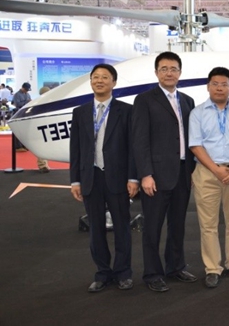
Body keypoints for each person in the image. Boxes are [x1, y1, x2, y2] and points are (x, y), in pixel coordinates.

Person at [70, 63, 138, 292]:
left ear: (114, 82)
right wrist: (75, 180)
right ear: (91, 81)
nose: (99, 81)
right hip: (91, 178)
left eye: (105, 77)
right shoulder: (80, 112)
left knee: (122, 227)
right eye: (96, 77)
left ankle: (123, 272)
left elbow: (132, 148)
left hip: (118, 177)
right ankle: (102, 273)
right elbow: (76, 149)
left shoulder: (126, 111)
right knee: (96, 229)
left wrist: (133, 178)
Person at [132, 51, 197, 292]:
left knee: (177, 225)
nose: (169, 73)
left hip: (182, 172)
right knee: (152, 227)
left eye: (173, 69)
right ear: (156, 72)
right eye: (164, 69)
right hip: (156, 176)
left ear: (180, 72)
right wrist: (145, 174)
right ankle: (152, 273)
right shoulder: (144, 100)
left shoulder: (187, 101)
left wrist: (192, 170)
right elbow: (140, 140)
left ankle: (175, 267)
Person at [189, 67, 229, 289]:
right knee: (208, 224)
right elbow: (195, 145)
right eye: (215, 84)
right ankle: (213, 268)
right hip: (207, 173)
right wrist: (216, 169)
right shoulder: (197, 113)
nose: (219, 88)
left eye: (224, 84)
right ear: (208, 86)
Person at [12, 82, 31, 151]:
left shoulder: (28, 94)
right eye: (26, 89)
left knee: (24, 131)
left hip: (25, 114)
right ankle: (18, 146)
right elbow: (17, 104)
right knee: (18, 130)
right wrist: (26, 102)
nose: (27, 91)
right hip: (18, 114)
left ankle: (24, 145)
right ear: (22, 88)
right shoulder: (17, 95)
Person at [37, 86, 52, 173]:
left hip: (45, 127)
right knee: (42, 146)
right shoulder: (42, 103)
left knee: (44, 146)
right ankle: (42, 165)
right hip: (42, 127)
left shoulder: (39, 102)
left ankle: (43, 165)